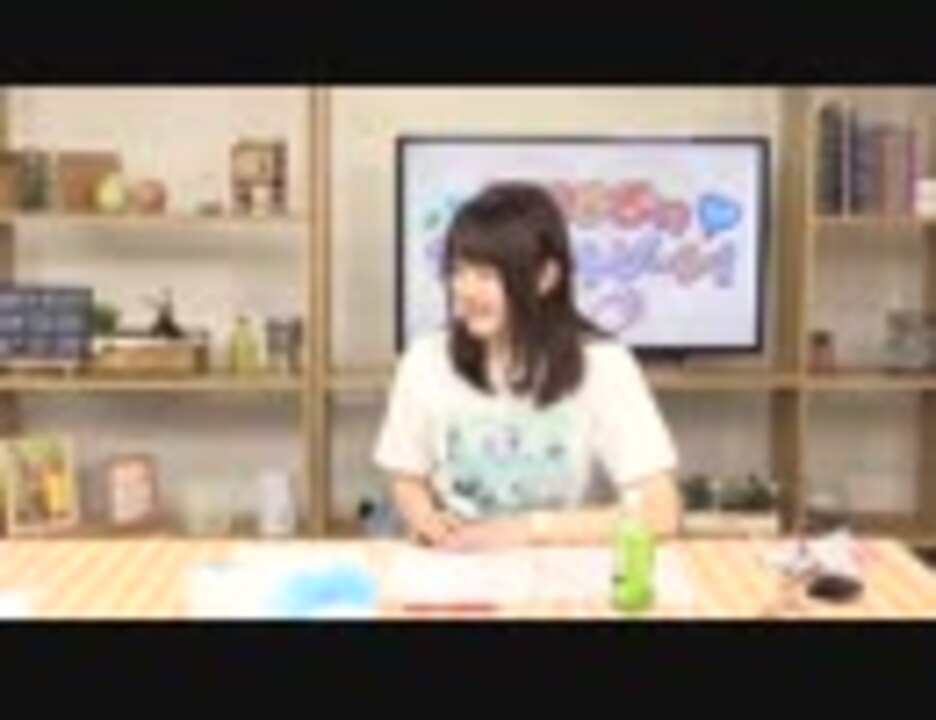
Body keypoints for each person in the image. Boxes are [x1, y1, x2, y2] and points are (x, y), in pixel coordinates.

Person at [373, 181, 680, 550]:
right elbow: (406, 475)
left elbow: (661, 511)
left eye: (486, 275)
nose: (465, 291)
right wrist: (426, 519)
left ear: (545, 277)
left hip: (562, 561)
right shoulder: (426, 360)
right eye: (459, 271)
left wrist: (525, 530)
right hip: (457, 560)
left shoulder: (603, 364)